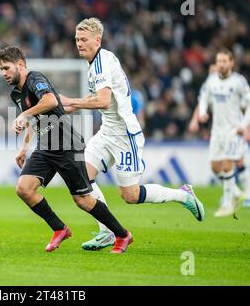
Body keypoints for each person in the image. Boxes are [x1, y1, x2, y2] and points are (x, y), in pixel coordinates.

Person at [60, 18, 205, 251]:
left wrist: (73, 102)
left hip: (125, 136)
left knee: (130, 194)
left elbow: (104, 100)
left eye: (83, 39)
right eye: (77, 39)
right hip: (107, 132)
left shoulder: (100, 63)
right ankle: (106, 232)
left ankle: (183, 195)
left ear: (97, 40)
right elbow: (99, 98)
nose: (79, 43)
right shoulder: (96, 62)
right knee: (81, 178)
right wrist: (72, 105)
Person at [0, 46, 133, 253]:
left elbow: (49, 100)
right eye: (0, 69)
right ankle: (60, 229)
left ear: (20, 65)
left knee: (83, 200)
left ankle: (122, 235)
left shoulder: (34, 79)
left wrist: (23, 116)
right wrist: (24, 148)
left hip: (66, 144)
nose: (3, 73)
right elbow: (34, 119)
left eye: (6, 67)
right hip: (45, 146)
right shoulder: (16, 93)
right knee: (24, 188)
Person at [195, 48, 250, 217]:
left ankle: (228, 203)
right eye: (218, 61)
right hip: (217, 131)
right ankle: (236, 193)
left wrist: (244, 125)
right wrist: (201, 112)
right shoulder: (211, 81)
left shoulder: (238, 81)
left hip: (233, 130)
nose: (220, 64)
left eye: (224, 61)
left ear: (231, 63)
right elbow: (203, 97)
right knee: (215, 167)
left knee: (228, 165)